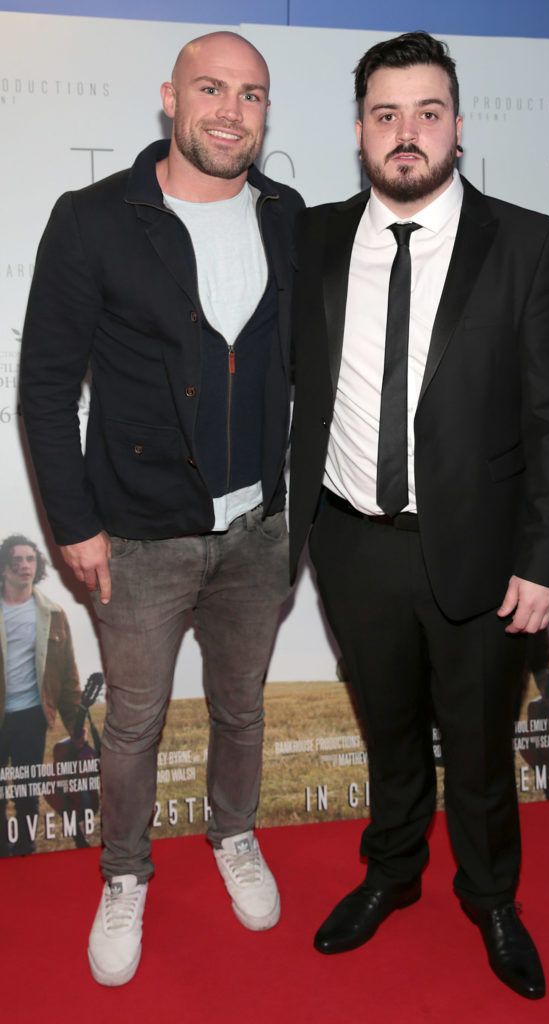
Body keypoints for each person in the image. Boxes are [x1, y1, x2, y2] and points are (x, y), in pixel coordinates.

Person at [289, 31, 549, 1000]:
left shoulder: (526, 240)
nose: (404, 133)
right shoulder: (314, 237)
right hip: (352, 544)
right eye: (384, 114)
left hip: (483, 557)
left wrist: (545, 562)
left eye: (425, 112)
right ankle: (391, 872)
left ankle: (490, 896)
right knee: (387, 731)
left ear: (456, 125)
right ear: (361, 130)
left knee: (479, 745)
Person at [20, 31, 304, 987]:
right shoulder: (95, 219)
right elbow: (46, 387)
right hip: (135, 535)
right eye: (212, 89)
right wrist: (73, 524)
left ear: (267, 112)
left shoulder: (291, 219)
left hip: (261, 531)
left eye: (252, 95)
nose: (231, 111)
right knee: (134, 722)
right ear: (169, 99)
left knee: (242, 707)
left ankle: (233, 836)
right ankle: (126, 873)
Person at [0, 534, 81, 856]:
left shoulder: (52, 613)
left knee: (26, 788)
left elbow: (68, 674)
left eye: (30, 559)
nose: (24, 565)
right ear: (4, 568)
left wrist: (75, 723)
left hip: (32, 714)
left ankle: (25, 848)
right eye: (17, 559)